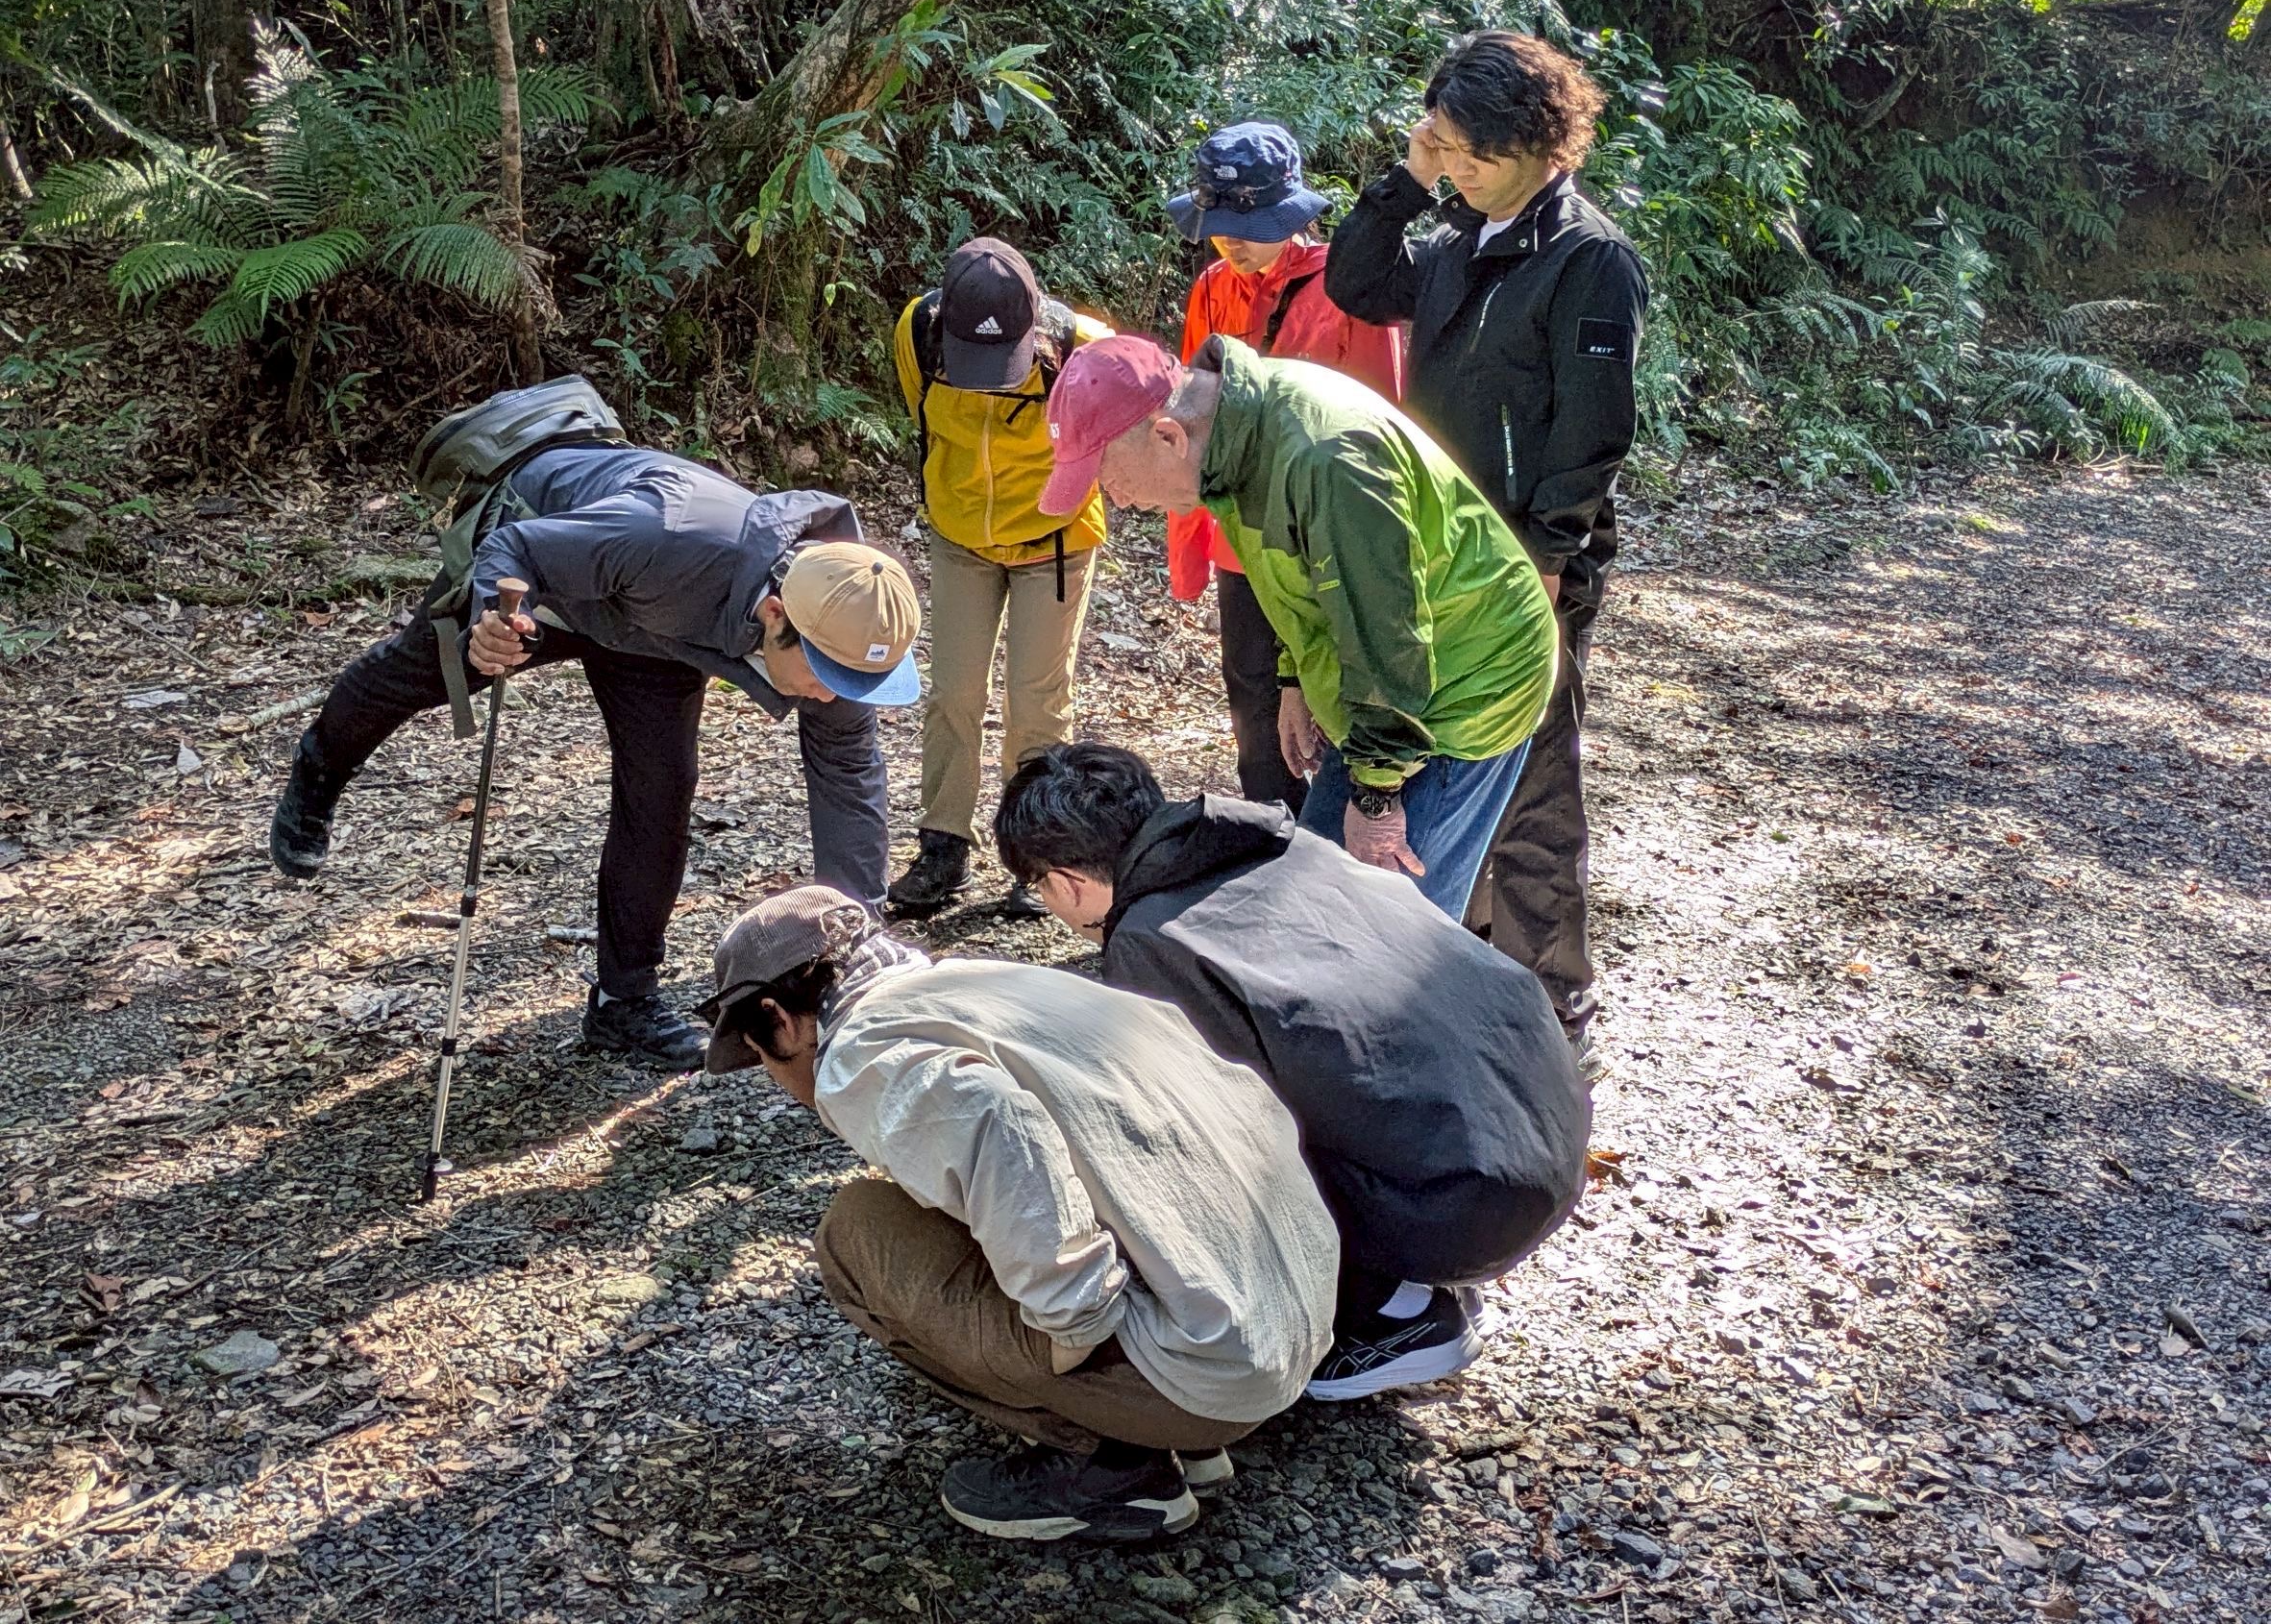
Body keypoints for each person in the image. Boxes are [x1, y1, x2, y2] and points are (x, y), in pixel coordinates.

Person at [268, 412, 921, 1069]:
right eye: (826, 676)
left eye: (853, 683)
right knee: (414, 676)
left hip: (654, 634)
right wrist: (495, 618)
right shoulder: (670, 536)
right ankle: (319, 769)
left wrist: (850, 943)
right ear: (776, 615)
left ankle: (622, 1003)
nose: (834, 698)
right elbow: (518, 546)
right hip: (553, 586)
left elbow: (848, 786)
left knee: (660, 792)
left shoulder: (842, 625)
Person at [700, 886, 1337, 1543]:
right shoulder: (983, 984)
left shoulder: (858, 1050)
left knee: (857, 1233)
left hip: (1206, 1372)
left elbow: (998, 1119)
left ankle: (1111, 1465)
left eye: (761, 1057)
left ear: (779, 1020)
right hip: (1287, 1320)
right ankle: (1169, 1419)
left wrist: (1074, 1320)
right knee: (952, 1197)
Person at [994, 742, 1590, 1400]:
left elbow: (1201, 1131)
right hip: (1544, 1129)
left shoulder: (1150, 938)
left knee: (1170, 1142)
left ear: (1065, 881)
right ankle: (1418, 1266)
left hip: (1461, 1200)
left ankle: (1392, 1310)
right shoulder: (1278, 843)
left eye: (1038, 887)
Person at [1325, 30, 1648, 1050]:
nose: (1454, 166)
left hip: (1525, 563)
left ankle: (1554, 998)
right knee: (1441, 752)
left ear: (1537, 140)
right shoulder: (1458, 238)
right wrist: (1408, 178)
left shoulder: (1586, 259)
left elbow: (1593, 432)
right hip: (1436, 549)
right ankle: (1459, 968)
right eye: (1445, 146)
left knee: (1535, 775)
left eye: (1470, 150)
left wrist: (1549, 559)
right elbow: (1352, 281)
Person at [1036, 332, 1556, 921]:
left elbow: (1391, 635)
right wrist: (1295, 677)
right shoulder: (1230, 434)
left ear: (1166, 435)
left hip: (1464, 683)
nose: (1119, 501)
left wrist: (1378, 797)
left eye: (1110, 477)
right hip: (1383, 680)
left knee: (1392, 935)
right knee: (1313, 904)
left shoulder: (1323, 457)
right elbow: (1306, 576)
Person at [1164, 122, 1405, 813]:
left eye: (1248, 224)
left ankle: (1340, 839)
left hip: (1323, 531)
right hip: (1238, 534)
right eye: (1220, 225)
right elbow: (1188, 413)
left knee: (1331, 690)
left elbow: (1382, 418)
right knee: (1251, 698)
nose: (1231, 239)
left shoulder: (1346, 287)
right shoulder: (1211, 287)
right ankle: (1273, 846)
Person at [884, 237, 1112, 918]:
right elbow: (919, 412)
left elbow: (1106, 437)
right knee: (952, 692)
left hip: (1054, 540)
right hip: (961, 535)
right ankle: (943, 845)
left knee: (1036, 701)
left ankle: (1037, 850)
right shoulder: (917, 331)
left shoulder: (1084, 346)